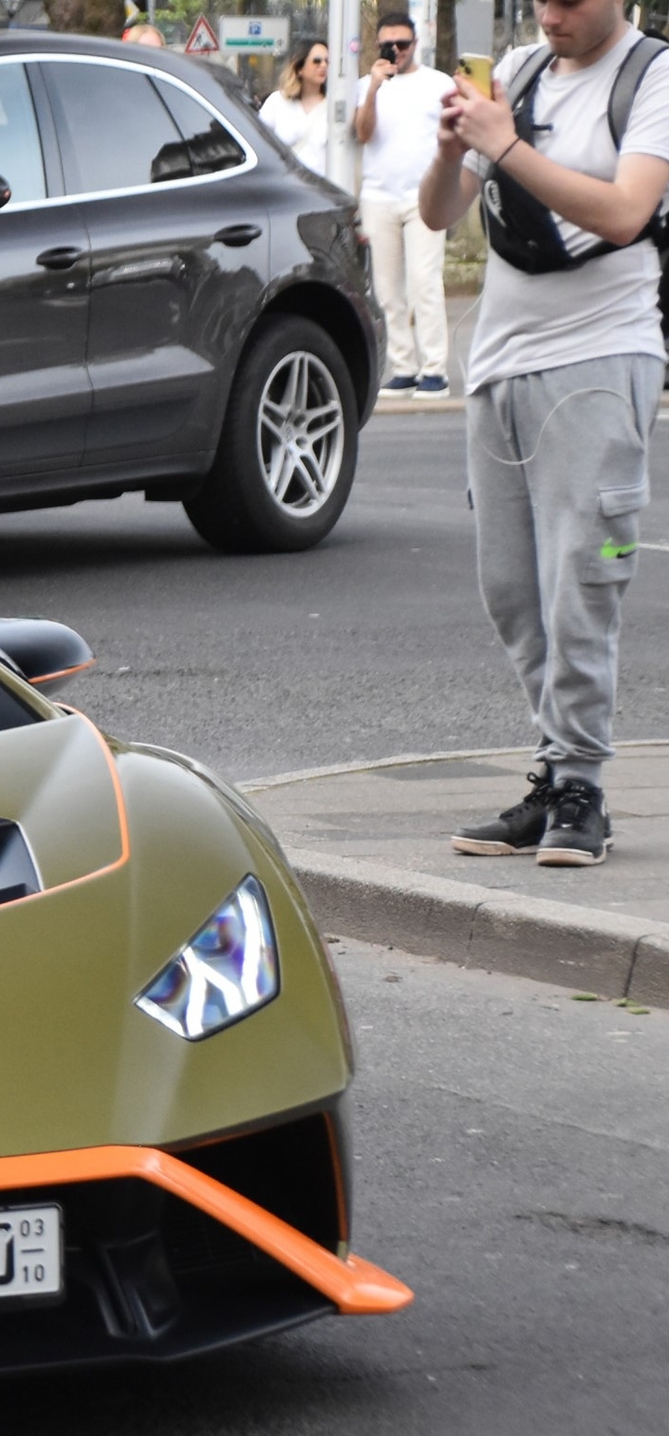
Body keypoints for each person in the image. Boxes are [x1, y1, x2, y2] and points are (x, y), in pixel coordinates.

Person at [419, 0, 669, 867]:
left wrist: (507, 144)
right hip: (496, 363)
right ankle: (555, 770)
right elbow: (437, 215)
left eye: (570, 0)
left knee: (583, 583)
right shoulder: (517, 74)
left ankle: (583, 792)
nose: (551, 13)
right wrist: (456, 146)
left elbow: (627, 212)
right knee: (512, 591)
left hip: (602, 359)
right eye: (541, 0)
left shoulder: (653, 74)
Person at [357, 11, 459, 396]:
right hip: (379, 195)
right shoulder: (367, 84)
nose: (396, 50)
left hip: (424, 196)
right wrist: (373, 90)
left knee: (424, 282)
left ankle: (434, 367)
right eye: (389, 44)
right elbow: (363, 133)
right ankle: (403, 366)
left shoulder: (438, 83)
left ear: (416, 44)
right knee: (385, 290)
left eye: (403, 43)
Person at [258, 39, 334, 183]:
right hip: (284, 187)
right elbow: (259, 141)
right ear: (300, 68)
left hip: (320, 189)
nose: (323, 65)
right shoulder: (277, 102)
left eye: (327, 61)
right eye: (316, 61)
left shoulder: (333, 106)